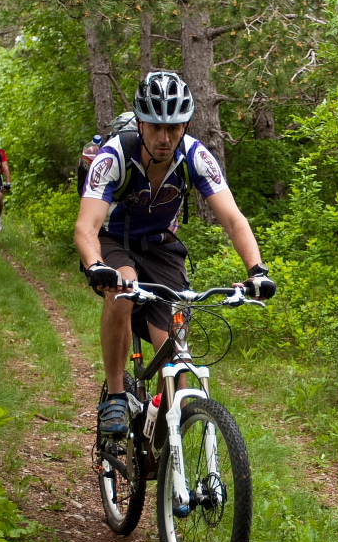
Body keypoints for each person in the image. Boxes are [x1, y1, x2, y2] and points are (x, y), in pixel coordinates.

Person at [74, 71, 276, 437]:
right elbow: (86, 227)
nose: (164, 138)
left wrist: (256, 270)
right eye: (155, 127)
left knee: (175, 359)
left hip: (162, 246)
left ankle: (168, 437)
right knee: (123, 289)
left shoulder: (195, 155)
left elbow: (232, 219)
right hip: (114, 240)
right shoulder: (114, 156)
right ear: (140, 123)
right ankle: (116, 396)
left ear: (185, 124)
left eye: (175, 127)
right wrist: (95, 265)